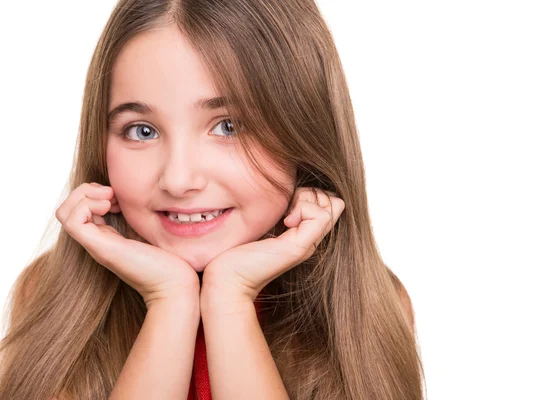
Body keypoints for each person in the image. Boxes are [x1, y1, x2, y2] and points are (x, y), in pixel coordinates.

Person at [0, 0, 424, 399]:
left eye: (229, 126)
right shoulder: (49, 299)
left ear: (304, 131)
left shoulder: (371, 311)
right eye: (142, 130)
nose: (179, 179)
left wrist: (230, 299)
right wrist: (169, 300)